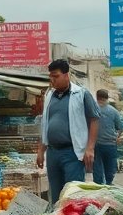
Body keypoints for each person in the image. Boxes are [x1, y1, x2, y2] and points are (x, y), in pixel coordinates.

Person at [37, 59, 100, 200]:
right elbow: (45, 124)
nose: (52, 80)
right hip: (53, 152)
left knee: (73, 193)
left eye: (56, 76)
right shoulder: (49, 96)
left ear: (66, 75)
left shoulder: (82, 94)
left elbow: (94, 119)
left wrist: (90, 148)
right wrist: (41, 150)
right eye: (50, 76)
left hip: (72, 152)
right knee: (55, 193)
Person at [92, 89, 123, 184]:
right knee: (109, 168)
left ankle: (98, 187)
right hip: (110, 144)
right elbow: (120, 128)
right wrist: (117, 137)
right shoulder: (114, 111)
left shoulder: (92, 109)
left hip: (95, 144)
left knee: (97, 168)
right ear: (107, 98)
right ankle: (109, 185)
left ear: (97, 97)